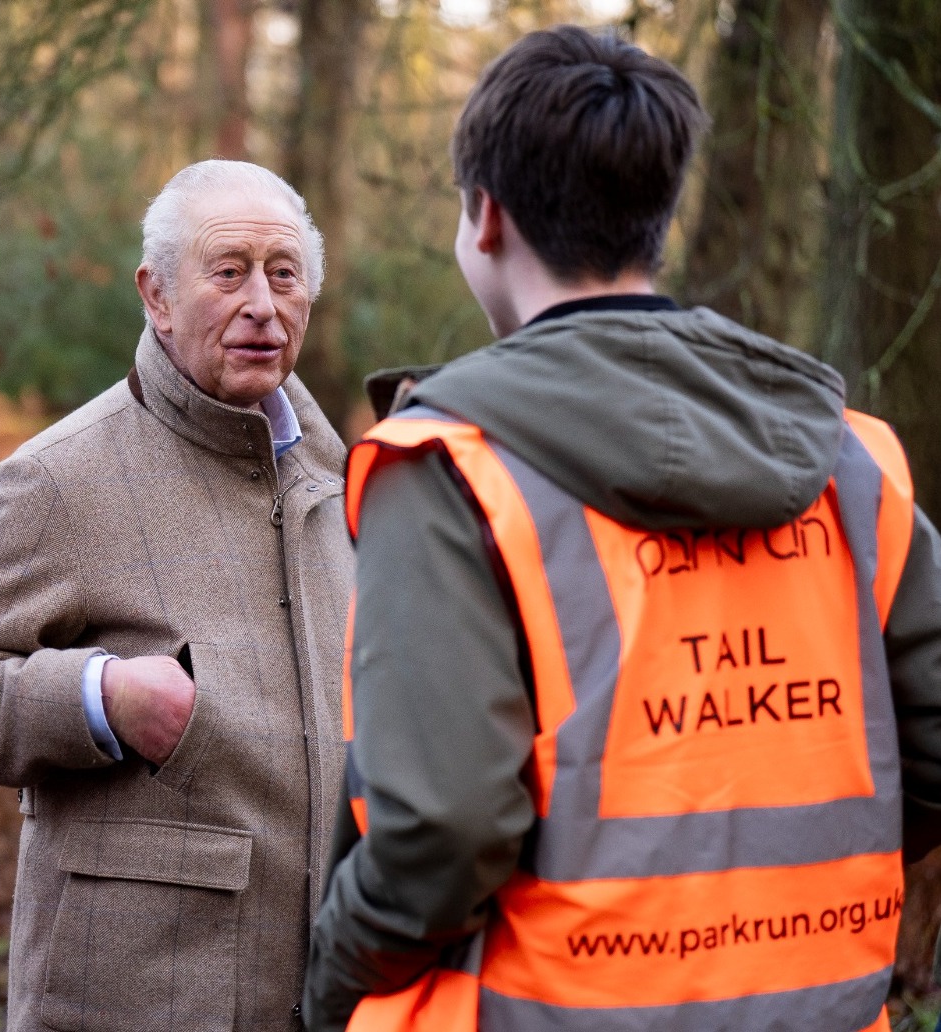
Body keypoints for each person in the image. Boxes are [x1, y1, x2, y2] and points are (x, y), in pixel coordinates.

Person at [303, 25, 941, 1032]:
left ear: (486, 217)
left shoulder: (448, 470)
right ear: (660, 218)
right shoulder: (854, 463)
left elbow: (441, 828)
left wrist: (332, 979)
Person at [0, 159, 354, 1031]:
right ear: (157, 296)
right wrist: (98, 697)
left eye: (284, 274)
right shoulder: (55, 481)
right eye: (229, 272)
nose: (262, 303)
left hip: (330, 995)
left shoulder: (340, 477)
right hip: (138, 999)